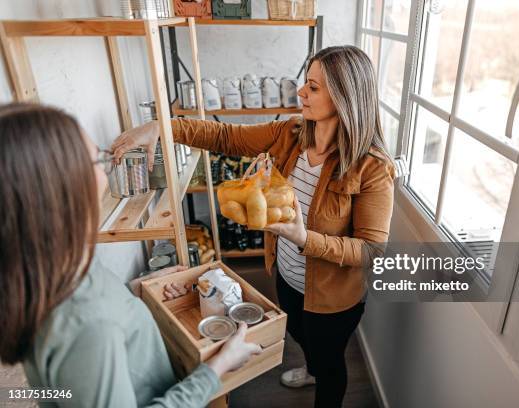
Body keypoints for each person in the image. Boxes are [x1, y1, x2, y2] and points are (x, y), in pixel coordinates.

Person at [112, 45, 395, 408]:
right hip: (287, 276)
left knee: (330, 362)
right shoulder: (290, 133)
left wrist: (304, 237)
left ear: (344, 97)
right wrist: (160, 128)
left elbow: (372, 250)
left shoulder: (372, 168)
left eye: (313, 87)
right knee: (297, 331)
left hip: (333, 298)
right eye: (305, 83)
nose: (301, 92)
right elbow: (224, 137)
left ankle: (320, 378)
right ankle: (310, 367)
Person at [0, 103, 262, 407]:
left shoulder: (51, 264)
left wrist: (133, 294)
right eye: (98, 160)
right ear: (62, 187)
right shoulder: (88, 325)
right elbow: (88, 326)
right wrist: (216, 368)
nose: (108, 167)